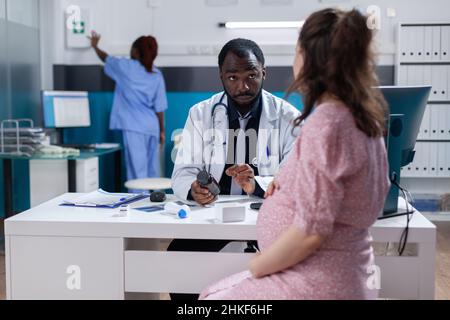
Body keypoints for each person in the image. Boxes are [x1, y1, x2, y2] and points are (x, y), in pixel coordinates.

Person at [200, 8, 391, 300]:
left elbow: (311, 232)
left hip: (315, 279)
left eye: (297, 51)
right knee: (213, 290)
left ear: (311, 61)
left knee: (208, 301)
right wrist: (285, 185)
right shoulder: (365, 119)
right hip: (343, 271)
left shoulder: (327, 125)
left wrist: (258, 265)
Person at [169, 38, 300, 300]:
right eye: (232, 77)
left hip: (267, 217)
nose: (243, 86)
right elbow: (183, 172)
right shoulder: (201, 114)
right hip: (212, 218)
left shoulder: (287, 116)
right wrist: (195, 190)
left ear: (264, 72)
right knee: (179, 261)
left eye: (252, 75)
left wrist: (258, 184)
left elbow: (295, 177)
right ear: (221, 77)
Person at [89, 31, 168, 185]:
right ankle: (155, 204)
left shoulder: (126, 68)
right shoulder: (156, 74)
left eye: (132, 48)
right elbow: (159, 107)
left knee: (137, 174)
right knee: (153, 172)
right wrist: (162, 131)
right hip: (152, 127)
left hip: (134, 127)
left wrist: (95, 46)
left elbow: (105, 58)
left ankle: (139, 206)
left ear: (136, 52)